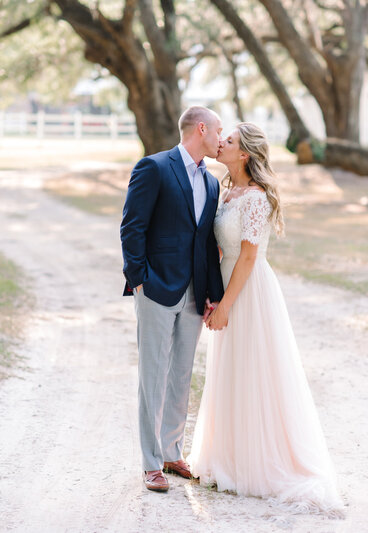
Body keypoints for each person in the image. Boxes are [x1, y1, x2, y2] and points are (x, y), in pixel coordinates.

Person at [188, 123, 344, 517]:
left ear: (244, 155)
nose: (220, 143)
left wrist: (225, 305)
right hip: (226, 286)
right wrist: (212, 294)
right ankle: (229, 455)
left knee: (254, 372)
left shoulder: (255, 198)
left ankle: (258, 465)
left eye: (229, 141)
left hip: (249, 292)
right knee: (232, 372)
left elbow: (248, 257)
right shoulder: (227, 191)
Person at [120, 106, 224, 492]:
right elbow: (132, 225)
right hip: (156, 288)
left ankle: (171, 450)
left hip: (195, 292)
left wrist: (213, 293)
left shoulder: (212, 183)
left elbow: (208, 242)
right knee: (153, 373)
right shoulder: (154, 167)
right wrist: (139, 279)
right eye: (218, 131)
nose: (221, 138)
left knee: (181, 374)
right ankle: (150, 464)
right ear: (201, 129)